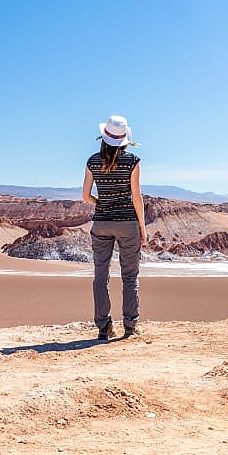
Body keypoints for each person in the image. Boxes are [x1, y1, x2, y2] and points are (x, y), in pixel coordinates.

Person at [82, 114, 146, 340]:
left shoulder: (92, 161)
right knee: (130, 276)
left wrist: (102, 203)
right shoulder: (132, 161)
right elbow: (137, 198)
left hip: (101, 223)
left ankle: (103, 327)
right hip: (127, 223)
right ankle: (131, 325)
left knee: (101, 276)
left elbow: (85, 196)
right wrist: (142, 229)